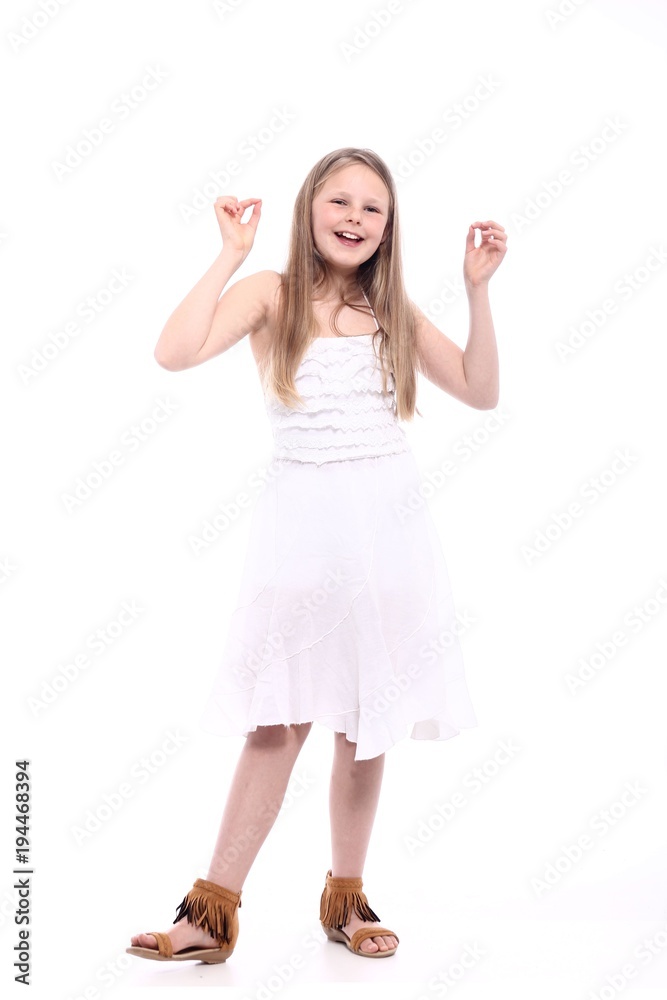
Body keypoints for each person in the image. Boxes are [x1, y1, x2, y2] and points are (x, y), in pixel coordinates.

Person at [127, 146, 506, 964]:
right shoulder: (272, 294)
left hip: (388, 537)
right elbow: (173, 352)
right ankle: (211, 913)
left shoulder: (389, 309)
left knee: (367, 725)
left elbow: (480, 391)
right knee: (277, 722)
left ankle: (347, 899)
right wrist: (229, 254)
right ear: (309, 209)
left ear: (388, 228)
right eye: (339, 201)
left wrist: (477, 291)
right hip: (301, 535)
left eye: (372, 208)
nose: (353, 218)